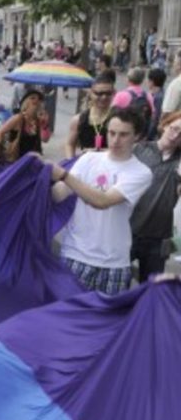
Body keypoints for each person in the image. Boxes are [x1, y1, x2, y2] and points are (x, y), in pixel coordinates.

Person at [51, 108, 152, 295]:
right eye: (112, 133)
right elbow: (60, 194)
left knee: (108, 323)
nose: (115, 140)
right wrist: (38, 177)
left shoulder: (141, 172)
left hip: (114, 263)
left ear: (137, 136)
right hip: (75, 254)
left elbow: (102, 201)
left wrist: (63, 175)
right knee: (67, 318)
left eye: (123, 135)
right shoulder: (88, 159)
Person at [129, 112, 181, 280]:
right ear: (164, 125)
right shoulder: (139, 149)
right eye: (174, 129)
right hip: (127, 230)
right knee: (117, 285)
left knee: (150, 291)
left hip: (158, 238)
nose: (175, 136)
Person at [66, 72, 116, 157]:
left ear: (113, 93)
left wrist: (103, 152)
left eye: (108, 93)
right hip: (86, 167)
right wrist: (71, 162)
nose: (104, 97)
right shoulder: (78, 120)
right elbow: (69, 144)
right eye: (99, 93)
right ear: (91, 93)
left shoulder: (120, 119)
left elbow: (128, 148)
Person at [0, 89, 47, 162]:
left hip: (33, 162)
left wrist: (45, 126)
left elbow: (45, 139)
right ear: (26, 102)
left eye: (39, 99)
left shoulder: (37, 120)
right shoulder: (18, 118)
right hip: (17, 162)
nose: (36, 101)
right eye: (33, 98)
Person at [112, 67, 156, 138]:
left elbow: (112, 113)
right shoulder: (148, 95)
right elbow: (153, 114)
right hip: (142, 134)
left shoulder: (121, 95)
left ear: (128, 79)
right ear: (142, 80)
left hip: (124, 133)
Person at [147, 68, 167, 140]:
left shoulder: (158, 98)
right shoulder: (159, 93)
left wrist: (148, 136)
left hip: (153, 133)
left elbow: (155, 118)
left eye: (148, 80)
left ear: (152, 82)